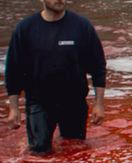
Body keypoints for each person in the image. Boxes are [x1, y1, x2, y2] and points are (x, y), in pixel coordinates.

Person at [4, 0, 106, 154]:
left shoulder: (81, 26)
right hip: (39, 102)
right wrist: (13, 108)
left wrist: (99, 104)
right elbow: (13, 70)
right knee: (39, 153)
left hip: (74, 102)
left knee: (74, 150)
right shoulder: (25, 28)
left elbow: (97, 66)